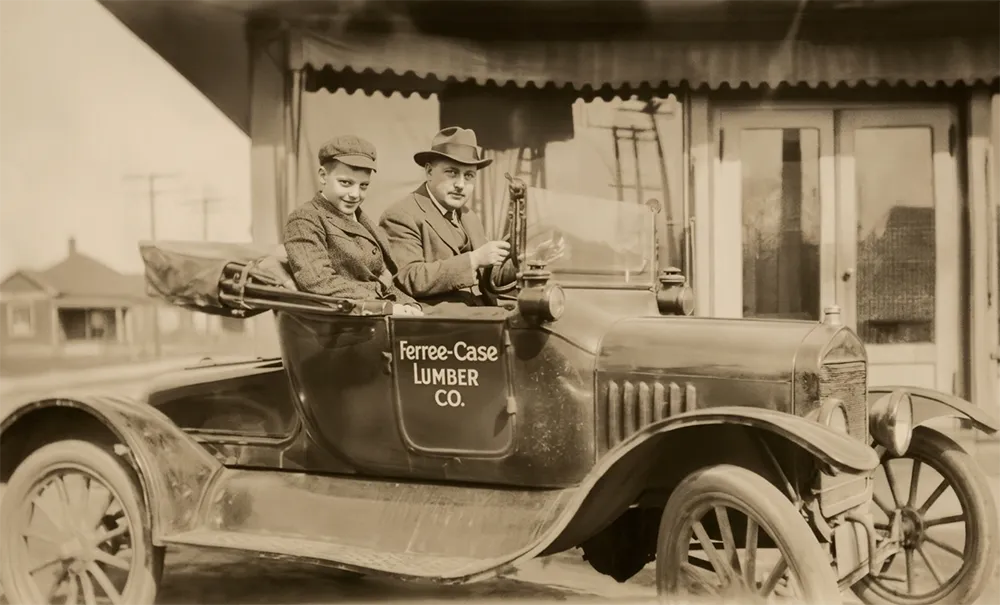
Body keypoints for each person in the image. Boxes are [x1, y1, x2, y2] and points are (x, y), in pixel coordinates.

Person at [283, 135, 423, 316]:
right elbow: (318, 281)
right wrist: (384, 306)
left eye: (363, 186)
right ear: (323, 176)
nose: (355, 194)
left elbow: (382, 281)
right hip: (339, 322)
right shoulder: (305, 219)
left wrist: (410, 305)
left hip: (374, 315)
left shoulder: (363, 221)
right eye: (346, 183)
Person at [379, 127, 518, 307]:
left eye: (469, 175)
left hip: (482, 312)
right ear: (429, 172)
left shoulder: (469, 216)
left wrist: (523, 262)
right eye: (452, 172)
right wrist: (474, 259)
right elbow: (410, 278)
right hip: (436, 318)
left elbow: (490, 277)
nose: (460, 184)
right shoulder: (401, 215)